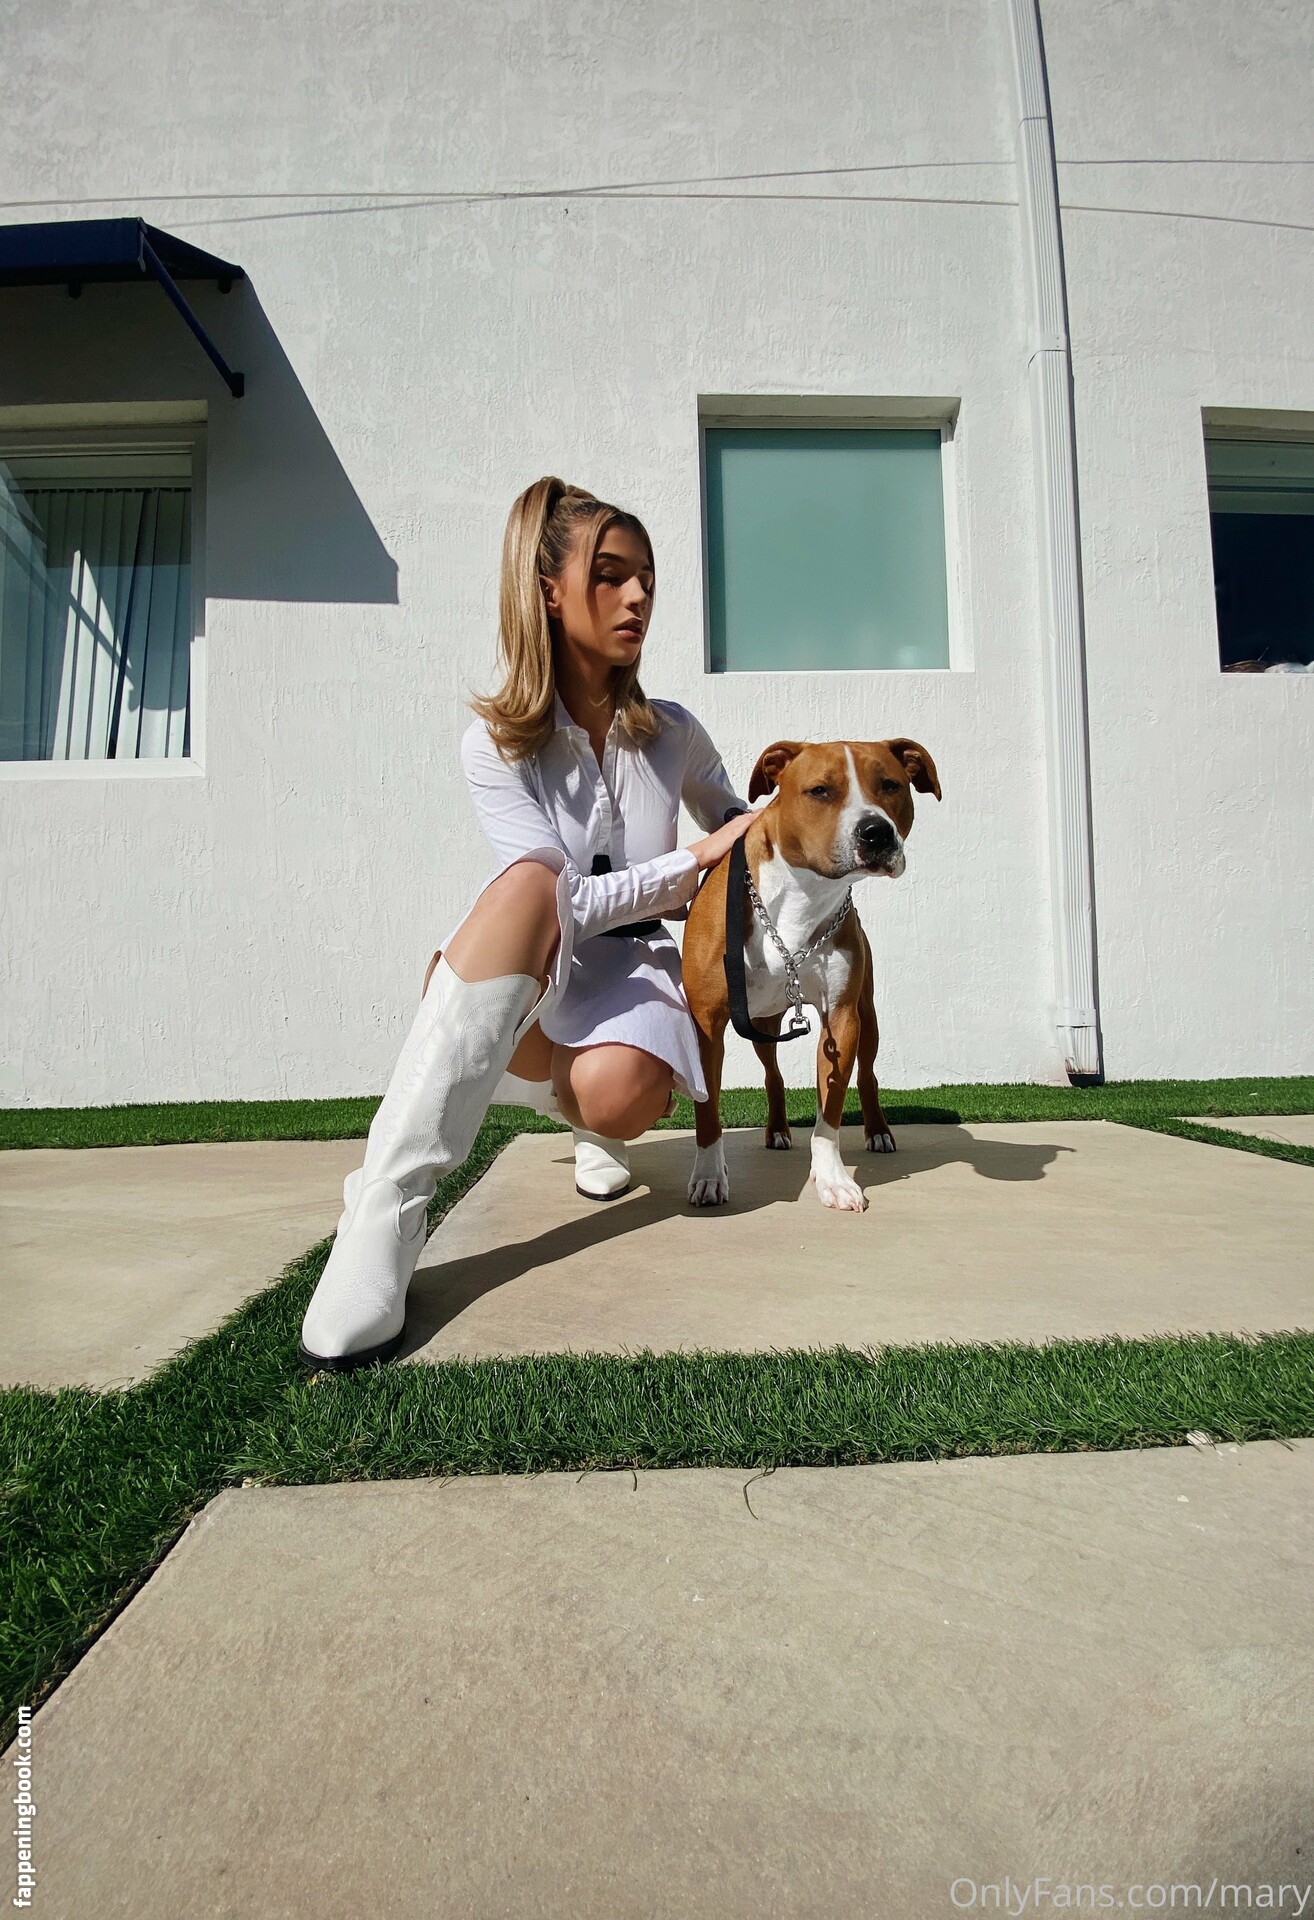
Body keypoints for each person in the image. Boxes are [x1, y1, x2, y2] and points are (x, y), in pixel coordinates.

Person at [299, 476, 759, 1371]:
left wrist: (802, 821)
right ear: (550, 592)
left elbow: (740, 835)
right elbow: (568, 903)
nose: (637, 597)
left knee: (622, 1099)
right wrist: (687, 866)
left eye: (647, 578)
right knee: (531, 885)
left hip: (630, 968)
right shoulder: (496, 744)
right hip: (544, 963)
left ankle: (577, 1114)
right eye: (610, 575)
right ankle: (385, 1206)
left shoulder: (674, 731)